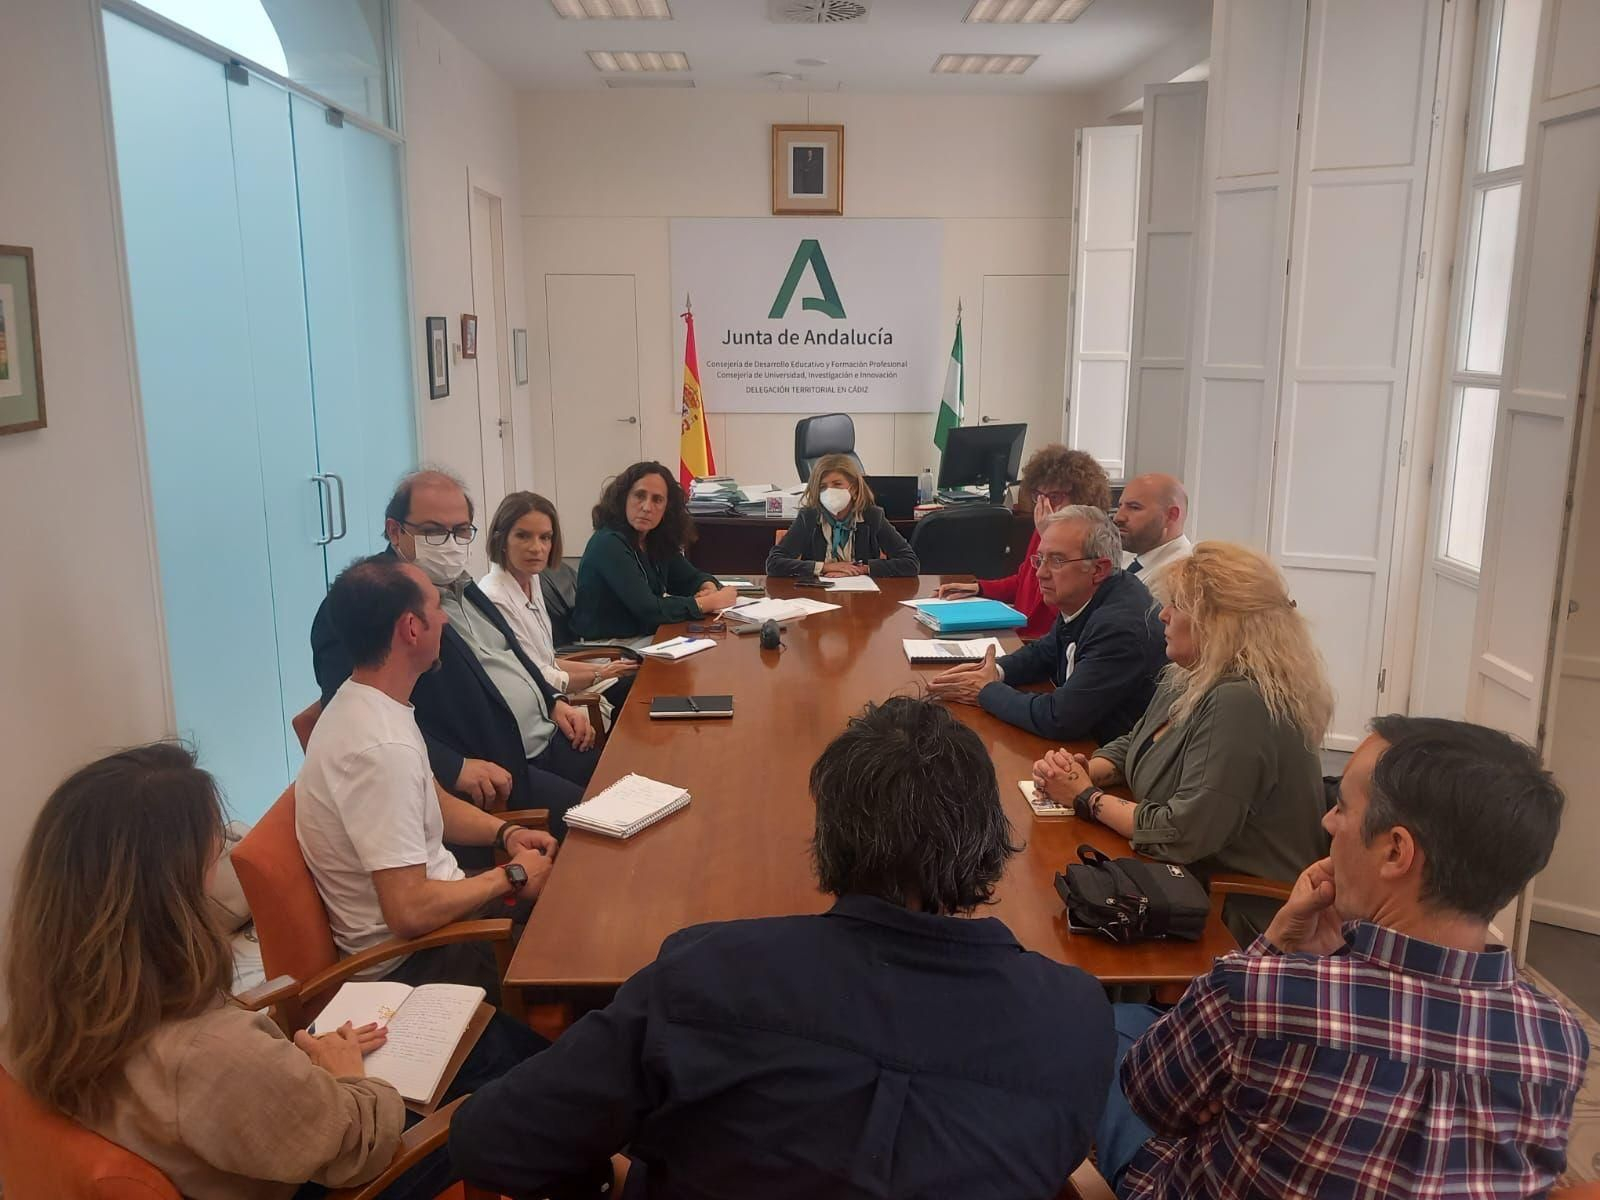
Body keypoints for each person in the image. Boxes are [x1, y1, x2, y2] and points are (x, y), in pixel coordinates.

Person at [448, 697, 1117, 1200]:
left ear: (830, 838)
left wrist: (608, 1178)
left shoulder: (707, 973)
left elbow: (490, 1139)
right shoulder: (1077, 1019)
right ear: (988, 840)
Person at [1096, 716, 1589, 1200]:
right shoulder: (1560, 1041)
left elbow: (1149, 1099)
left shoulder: (1258, 995)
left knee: (1110, 1029)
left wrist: (1272, 951)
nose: (1327, 821)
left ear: (1396, 852)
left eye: (1342, 807)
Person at [2, 742, 456, 1200]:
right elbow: (362, 1147)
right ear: (174, 889)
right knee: (483, 1086)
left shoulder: (33, 1023)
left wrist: (290, 1068)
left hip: (246, 1126)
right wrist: (346, 1075)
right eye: (211, 851)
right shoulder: (214, 1055)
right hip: (332, 1165)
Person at [1031, 543, 1333, 942]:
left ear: (1218, 622)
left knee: (1046, 928)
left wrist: (1087, 798)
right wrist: (1087, 771)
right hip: (1173, 882)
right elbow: (1137, 741)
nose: (1163, 615)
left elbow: (1181, 834)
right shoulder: (1188, 674)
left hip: (1232, 915)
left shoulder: (1242, 700)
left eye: (1177, 605)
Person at [300, 554, 561, 999]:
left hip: (445, 925)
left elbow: (434, 802)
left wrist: (507, 833)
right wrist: (511, 876)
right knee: (592, 949)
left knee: (578, 895)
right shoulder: (381, 748)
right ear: (411, 628)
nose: (444, 618)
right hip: (420, 963)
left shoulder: (370, 703)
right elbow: (409, 911)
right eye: (436, 608)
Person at [311, 469, 597, 838]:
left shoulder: (462, 584)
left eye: (461, 530)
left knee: (638, 784)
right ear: (396, 531)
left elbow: (512, 655)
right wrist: (453, 766)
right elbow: (354, 715)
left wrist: (553, 699)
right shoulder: (365, 600)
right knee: (599, 827)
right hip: (498, 772)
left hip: (549, 735)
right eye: (432, 531)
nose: (450, 542)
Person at [930, 506, 1166, 744]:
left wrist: (986, 691)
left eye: (1057, 561)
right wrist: (994, 671)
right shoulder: (1090, 596)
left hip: (1108, 763)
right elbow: (1046, 651)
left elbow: (1060, 717)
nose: (1040, 573)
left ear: (1098, 569)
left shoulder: (1120, 627)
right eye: (1040, 559)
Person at [480, 490, 638, 721]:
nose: (537, 548)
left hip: (557, 685)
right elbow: (536, 677)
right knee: (638, 699)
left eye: (545, 537)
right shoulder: (495, 598)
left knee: (640, 683)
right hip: (541, 705)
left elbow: (547, 660)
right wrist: (598, 673)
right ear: (501, 540)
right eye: (523, 536)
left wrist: (604, 672)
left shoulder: (531, 578)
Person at [934, 445, 1112, 638]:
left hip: (1045, 642)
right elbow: (1025, 579)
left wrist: (1049, 536)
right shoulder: (1045, 527)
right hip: (1018, 634)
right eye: (1039, 496)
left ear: (1082, 496)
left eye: (1054, 496)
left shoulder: (1093, 538)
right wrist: (981, 588)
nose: (1045, 505)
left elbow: (1064, 606)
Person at [573, 461, 739, 640]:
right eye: (639, 496)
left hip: (641, 638)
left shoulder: (653, 539)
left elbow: (690, 577)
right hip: (607, 649)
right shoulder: (608, 543)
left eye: (657, 500)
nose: (647, 507)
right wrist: (710, 602)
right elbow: (649, 610)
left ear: (667, 508)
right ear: (623, 498)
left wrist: (708, 586)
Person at [765, 453, 920, 578]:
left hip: (862, 601)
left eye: (837, 484)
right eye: (822, 487)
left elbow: (910, 563)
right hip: (817, 598)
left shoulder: (872, 516)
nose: (829, 491)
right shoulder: (809, 517)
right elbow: (774, 564)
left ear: (853, 488)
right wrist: (824, 567)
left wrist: (863, 569)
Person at [1114, 473, 1192, 583]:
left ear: (1171, 515)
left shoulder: (1180, 576)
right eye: (1120, 506)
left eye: (1134, 507)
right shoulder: (1126, 557)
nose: (1118, 517)